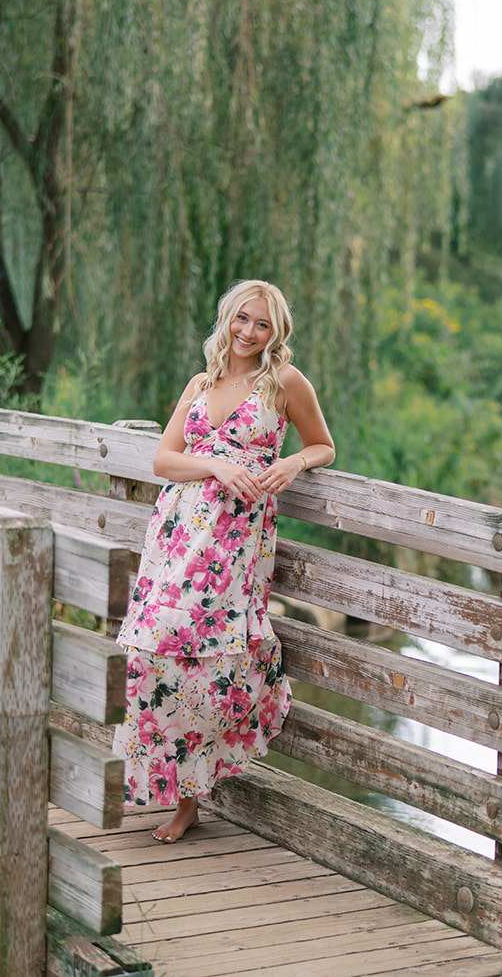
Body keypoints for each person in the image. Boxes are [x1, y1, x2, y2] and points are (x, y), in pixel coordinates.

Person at [111, 280, 335, 844]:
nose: (248, 332)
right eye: (241, 319)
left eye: (261, 324)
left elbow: (324, 444)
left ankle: (190, 802)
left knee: (209, 661)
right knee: (149, 649)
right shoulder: (200, 382)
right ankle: (162, 776)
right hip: (176, 535)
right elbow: (164, 461)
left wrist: (294, 464)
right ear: (226, 319)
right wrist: (213, 464)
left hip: (234, 543)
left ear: (274, 332)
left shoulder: (283, 382)